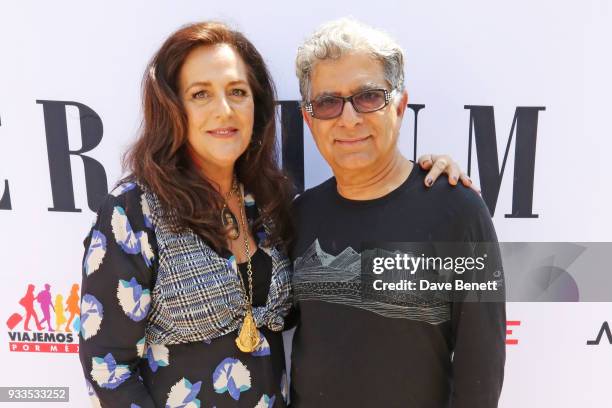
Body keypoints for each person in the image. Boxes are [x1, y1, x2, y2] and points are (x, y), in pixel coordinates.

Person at [79, 21, 471, 407]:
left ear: (256, 104)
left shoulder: (267, 206)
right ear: (173, 108)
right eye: (200, 94)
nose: (224, 110)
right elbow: (107, 368)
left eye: (237, 91)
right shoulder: (134, 211)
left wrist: (424, 187)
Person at [288, 18, 506, 407]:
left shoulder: (457, 210)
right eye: (327, 102)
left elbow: (482, 369)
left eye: (369, 97)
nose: (349, 118)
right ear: (309, 119)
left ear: (400, 107)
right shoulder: (300, 216)